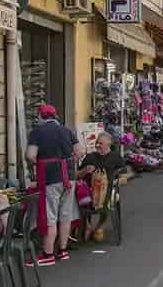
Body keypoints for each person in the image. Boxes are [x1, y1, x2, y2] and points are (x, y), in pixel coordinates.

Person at [26, 104, 80, 266]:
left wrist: (38, 163)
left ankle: (47, 254)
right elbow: (80, 151)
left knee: (50, 215)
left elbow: (31, 155)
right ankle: (63, 251)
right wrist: (67, 161)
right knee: (65, 214)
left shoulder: (37, 132)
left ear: (41, 117)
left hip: (50, 177)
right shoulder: (67, 130)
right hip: (69, 177)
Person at [77, 132, 126, 241]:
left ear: (109, 144)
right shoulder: (90, 157)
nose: (98, 145)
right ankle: (88, 224)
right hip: (89, 189)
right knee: (81, 197)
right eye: (97, 143)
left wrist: (116, 181)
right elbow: (78, 175)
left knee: (107, 196)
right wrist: (85, 170)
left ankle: (101, 225)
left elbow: (124, 176)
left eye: (100, 143)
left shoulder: (115, 157)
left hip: (108, 189)